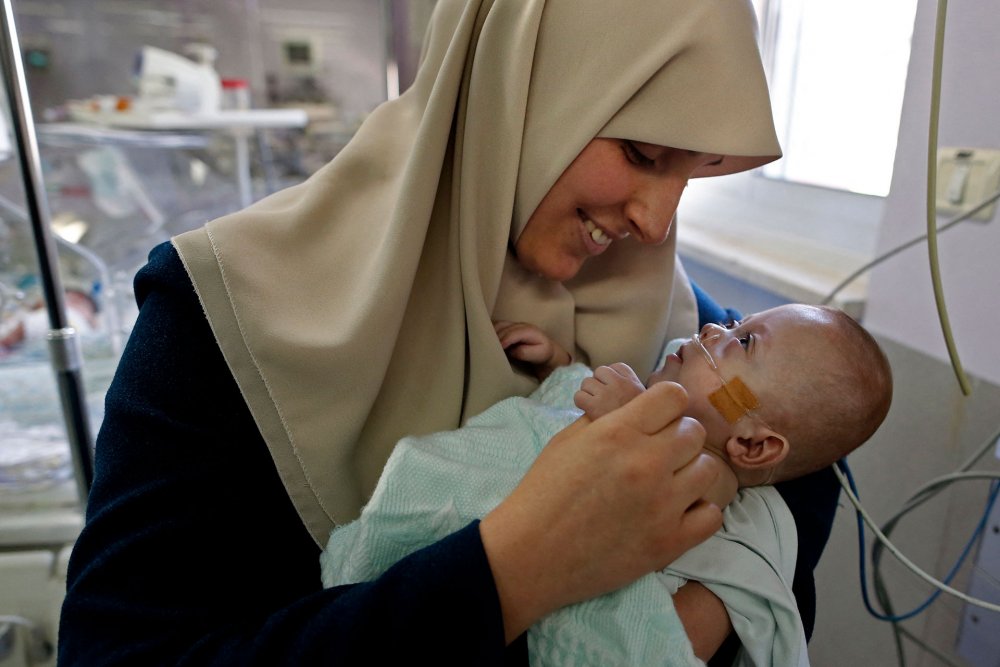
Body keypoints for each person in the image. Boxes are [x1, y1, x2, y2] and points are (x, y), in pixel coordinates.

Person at [56, 1, 837, 664]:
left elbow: (807, 462)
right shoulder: (220, 316)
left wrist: (703, 617)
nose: (657, 220)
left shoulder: (691, 329)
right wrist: (514, 569)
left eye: (690, 173)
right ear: (521, 88)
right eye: (641, 153)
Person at [321, 304, 893, 665]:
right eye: (737, 321)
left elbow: (666, 644)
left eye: (743, 342)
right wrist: (560, 370)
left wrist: (626, 422)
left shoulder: (728, 508)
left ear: (751, 445)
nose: (717, 326)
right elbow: (563, 420)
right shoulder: (679, 401)